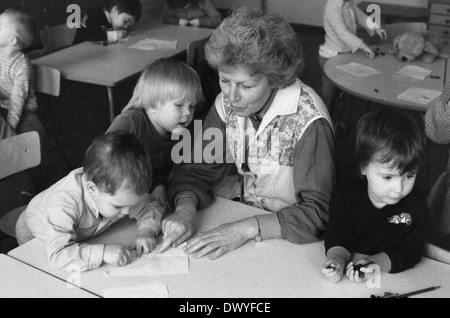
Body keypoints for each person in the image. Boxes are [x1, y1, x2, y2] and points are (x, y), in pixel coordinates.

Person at [159, 8, 335, 260]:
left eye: (246, 86)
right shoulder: (226, 104)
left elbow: (319, 213)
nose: (231, 96)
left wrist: (246, 228)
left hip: (288, 239)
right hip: (241, 216)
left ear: (275, 79)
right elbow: (195, 168)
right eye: (224, 80)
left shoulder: (309, 121)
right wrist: (185, 209)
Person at [15, 131, 164, 272]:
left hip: (80, 233)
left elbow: (150, 205)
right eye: (118, 206)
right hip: (35, 231)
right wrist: (103, 253)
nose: (127, 212)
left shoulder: (119, 192)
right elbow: (59, 254)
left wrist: (146, 230)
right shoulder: (64, 205)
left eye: (131, 205)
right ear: (92, 189)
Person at [322, 109, 429, 284]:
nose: (399, 189)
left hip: (396, 282)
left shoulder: (417, 207)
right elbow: (337, 235)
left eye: (409, 176)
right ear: (363, 167)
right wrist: (337, 260)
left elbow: (410, 251)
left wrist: (375, 263)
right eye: (388, 177)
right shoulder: (345, 195)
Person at [107, 58, 204, 212]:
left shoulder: (175, 130)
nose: (188, 113)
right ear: (152, 105)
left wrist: (159, 187)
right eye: (179, 105)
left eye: (192, 106)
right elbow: (104, 157)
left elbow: (157, 167)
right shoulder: (130, 122)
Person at [318, 0, 387, 110]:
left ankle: (339, 117)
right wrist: (363, 46)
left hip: (345, 54)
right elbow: (342, 32)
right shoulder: (332, 6)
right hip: (330, 56)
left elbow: (362, 18)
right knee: (329, 93)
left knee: (343, 90)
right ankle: (324, 118)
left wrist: (376, 28)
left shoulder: (349, 3)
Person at [0, 9, 44, 139]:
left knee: (31, 135)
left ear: (12, 41)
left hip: (23, 109)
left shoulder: (22, 65)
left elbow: (17, 99)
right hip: (2, 104)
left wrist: (10, 127)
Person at [74, 0, 142, 44]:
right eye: (125, 21)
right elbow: (92, 35)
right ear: (115, 10)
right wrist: (115, 35)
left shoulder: (113, 19)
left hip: (97, 51)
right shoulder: (94, 14)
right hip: (79, 51)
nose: (126, 26)